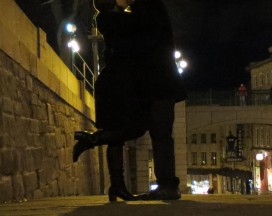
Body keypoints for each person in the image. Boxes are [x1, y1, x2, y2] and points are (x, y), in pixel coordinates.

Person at [72, 0, 186, 202]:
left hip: (146, 84)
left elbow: (142, 42)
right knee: (155, 133)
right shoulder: (126, 17)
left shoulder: (139, 13)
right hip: (139, 84)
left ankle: (94, 144)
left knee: (138, 130)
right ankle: (160, 185)